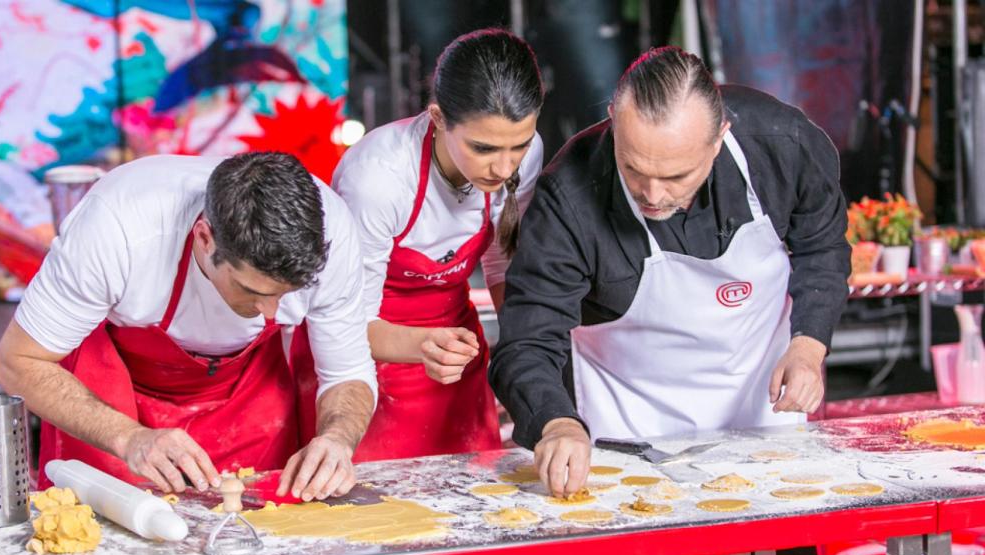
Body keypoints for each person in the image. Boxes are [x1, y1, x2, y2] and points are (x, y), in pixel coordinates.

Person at [491, 45, 849, 507]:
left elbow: (823, 245)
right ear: (613, 124)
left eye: (678, 175)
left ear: (719, 138)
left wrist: (807, 345)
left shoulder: (782, 144)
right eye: (634, 169)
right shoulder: (570, 196)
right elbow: (527, 340)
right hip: (628, 427)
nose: (653, 195)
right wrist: (555, 423)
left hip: (761, 408)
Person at [0, 152, 377, 502]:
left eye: (289, 293)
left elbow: (347, 371)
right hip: (115, 387)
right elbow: (17, 362)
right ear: (205, 239)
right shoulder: (118, 225)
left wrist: (338, 438)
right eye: (252, 290)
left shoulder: (333, 232)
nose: (270, 311)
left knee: (253, 526)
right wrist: (129, 437)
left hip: (245, 391)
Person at [291, 28, 544, 461]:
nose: (504, 166)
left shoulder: (525, 153)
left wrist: (525, 356)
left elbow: (503, 267)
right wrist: (421, 346)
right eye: (482, 148)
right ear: (438, 117)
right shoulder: (377, 179)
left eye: (518, 146)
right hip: (362, 357)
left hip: (453, 352)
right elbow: (345, 322)